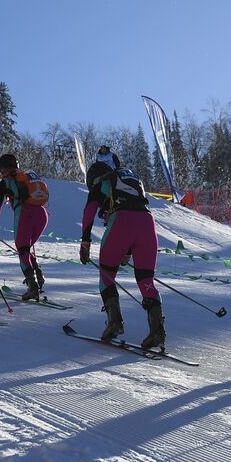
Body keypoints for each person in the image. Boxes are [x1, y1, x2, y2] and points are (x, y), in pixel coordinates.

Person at [79, 148, 166, 349]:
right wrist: (127, 252)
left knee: (106, 276)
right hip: (148, 223)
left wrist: (85, 241)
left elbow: (89, 212)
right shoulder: (130, 179)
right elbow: (136, 207)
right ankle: (157, 331)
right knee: (146, 279)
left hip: (121, 222)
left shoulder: (101, 182)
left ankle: (114, 323)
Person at [0, 153, 50, 300]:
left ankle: (32, 287)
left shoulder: (5, 183)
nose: (1, 173)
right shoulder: (27, 177)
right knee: (26, 249)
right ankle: (38, 276)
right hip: (42, 214)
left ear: (4, 169)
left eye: (1, 170)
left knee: (22, 251)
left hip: (24, 214)